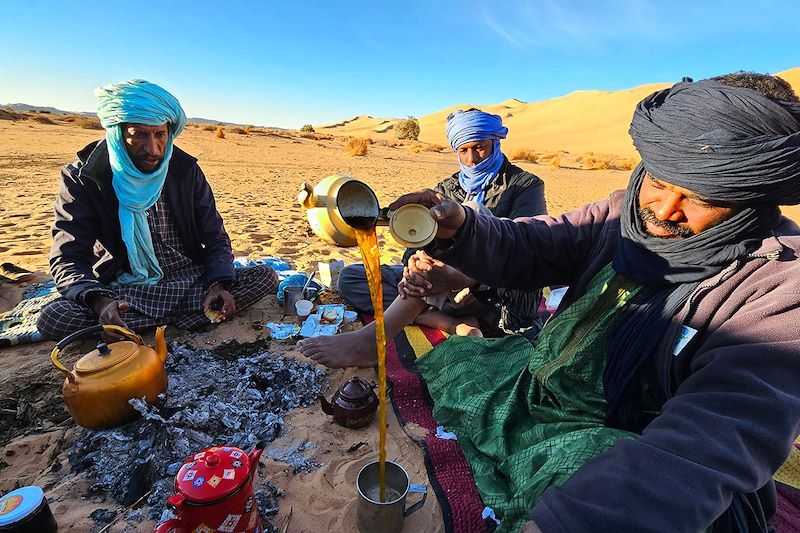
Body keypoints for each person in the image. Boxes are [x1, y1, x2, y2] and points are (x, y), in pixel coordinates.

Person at [391, 73, 800, 531]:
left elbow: (712, 439)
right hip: (549, 385)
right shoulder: (622, 211)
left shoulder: (780, 288)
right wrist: (463, 229)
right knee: (462, 366)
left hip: (633, 437)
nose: (665, 210)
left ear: (751, 198)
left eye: (702, 197)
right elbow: (537, 244)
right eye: (660, 183)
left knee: (581, 487)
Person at [301, 109, 547, 367]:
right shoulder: (447, 188)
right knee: (352, 278)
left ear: (495, 142)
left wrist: (465, 278)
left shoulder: (525, 185)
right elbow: (420, 244)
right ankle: (448, 323)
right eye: (463, 150)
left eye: (479, 148)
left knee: (472, 216)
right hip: (440, 289)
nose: (472, 158)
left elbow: (525, 248)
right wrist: (414, 267)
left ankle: (374, 340)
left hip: (494, 294)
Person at [37, 80, 278, 341]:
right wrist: (101, 302)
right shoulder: (84, 177)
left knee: (265, 275)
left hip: (189, 281)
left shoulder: (185, 171)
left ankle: (150, 322)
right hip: (127, 290)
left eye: (159, 135)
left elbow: (215, 237)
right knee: (54, 317)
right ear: (118, 134)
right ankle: (177, 318)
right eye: (139, 134)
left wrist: (217, 285)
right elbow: (67, 258)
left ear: (169, 133)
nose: (153, 149)